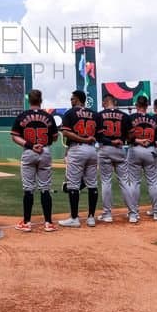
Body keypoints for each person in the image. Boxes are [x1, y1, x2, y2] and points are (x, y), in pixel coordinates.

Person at [10, 89, 58, 232]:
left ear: (29, 100)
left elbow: (14, 136)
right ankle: (48, 223)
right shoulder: (48, 117)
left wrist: (31, 145)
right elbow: (55, 137)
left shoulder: (22, 116)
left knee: (28, 189)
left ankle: (27, 222)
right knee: (45, 188)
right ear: (41, 100)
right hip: (45, 151)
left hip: (29, 151)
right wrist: (43, 143)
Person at [58, 90, 99, 227]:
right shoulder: (94, 114)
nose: (71, 100)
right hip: (92, 150)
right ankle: (91, 218)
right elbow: (99, 134)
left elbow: (65, 132)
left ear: (77, 99)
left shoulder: (70, 113)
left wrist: (83, 139)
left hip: (78, 148)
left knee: (73, 184)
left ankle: (74, 218)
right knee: (92, 183)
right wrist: (89, 140)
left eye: (72, 98)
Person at [95, 93, 133, 223]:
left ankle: (107, 214)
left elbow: (98, 137)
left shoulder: (99, 115)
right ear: (115, 102)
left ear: (104, 102)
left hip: (105, 148)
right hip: (120, 149)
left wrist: (111, 142)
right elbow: (130, 137)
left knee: (106, 181)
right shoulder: (125, 116)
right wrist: (121, 140)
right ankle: (133, 214)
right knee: (124, 181)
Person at [126, 95, 157, 221]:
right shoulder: (154, 120)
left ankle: (134, 214)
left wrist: (137, 140)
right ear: (147, 106)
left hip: (135, 149)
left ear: (136, 105)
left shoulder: (130, 118)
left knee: (134, 183)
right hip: (150, 150)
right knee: (153, 182)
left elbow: (128, 137)